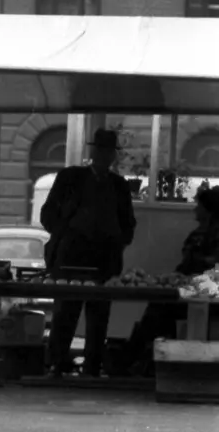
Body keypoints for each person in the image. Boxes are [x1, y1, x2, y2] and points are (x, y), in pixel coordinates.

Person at [41, 128, 136, 377]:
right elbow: (48, 213)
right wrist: (65, 234)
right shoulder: (70, 178)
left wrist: (118, 241)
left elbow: (128, 222)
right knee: (65, 312)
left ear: (113, 155)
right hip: (71, 255)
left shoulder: (118, 186)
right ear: (93, 152)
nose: (104, 155)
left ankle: (92, 365)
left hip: (104, 258)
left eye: (108, 151)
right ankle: (58, 362)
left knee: (99, 315)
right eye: (101, 150)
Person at [121, 185, 219, 371]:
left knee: (159, 311)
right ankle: (142, 358)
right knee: (158, 308)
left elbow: (205, 266)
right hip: (193, 289)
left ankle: (134, 358)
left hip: (207, 295)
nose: (195, 209)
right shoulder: (199, 234)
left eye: (199, 206)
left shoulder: (210, 235)